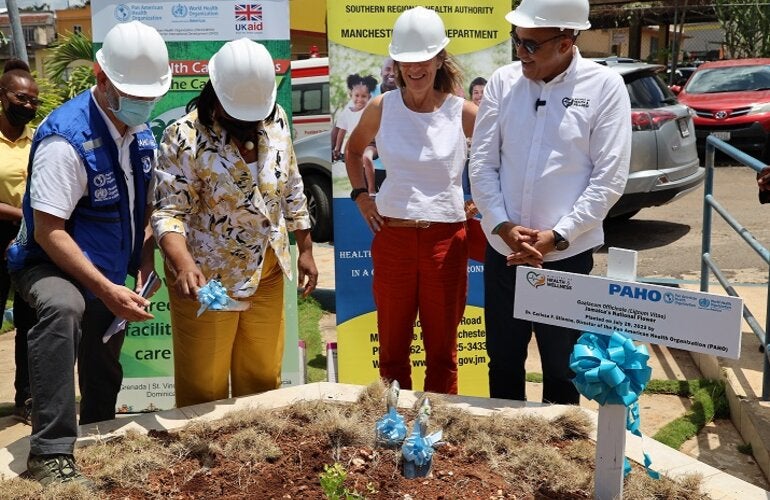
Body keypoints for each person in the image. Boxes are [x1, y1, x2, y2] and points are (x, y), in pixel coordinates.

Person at [7, 21, 170, 486]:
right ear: (101, 77)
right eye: (130, 91)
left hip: (108, 265)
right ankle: (51, 453)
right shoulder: (66, 139)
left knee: (104, 353)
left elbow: (142, 210)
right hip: (47, 261)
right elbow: (49, 230)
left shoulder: (140, 136)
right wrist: (103, 286)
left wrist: (142, 264)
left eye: (149, 94)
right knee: (66, 307)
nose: (142, 102)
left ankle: (99, 431)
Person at [470, 0, 632, 404]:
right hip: (504, 253)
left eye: (530, 45)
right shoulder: (503, 83)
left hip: (566, 258)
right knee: (503, 362)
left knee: (563, 370)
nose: (519, 53)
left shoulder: (604, 87)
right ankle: (505, 455)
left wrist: (557, 236)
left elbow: (609, 178)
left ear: (566, 42)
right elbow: (482, 164)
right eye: (516, 41)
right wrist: (503, 226)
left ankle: (561, 459)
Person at [152, 38, 318, 408]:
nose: (250, 122)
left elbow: (291, 185)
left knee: (261, 381)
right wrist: (184, 265)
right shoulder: (184, 136)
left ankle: (252, 459)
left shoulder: (276, 119)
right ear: (216, 95)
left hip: (268, 271)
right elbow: (168, 212)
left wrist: (304, 247)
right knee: (203, 388)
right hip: (208, 281)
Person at [346, 7, 477, 395]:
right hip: (394, 239)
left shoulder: (464, 112)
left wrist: (484, 205)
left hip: (446, 241)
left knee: (443, 353)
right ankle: (393, 428)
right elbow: (353, 153)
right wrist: (361, 196)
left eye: (424, 60)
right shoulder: (381, 107)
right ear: (396, 63)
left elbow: (498, 162)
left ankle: (437, 432)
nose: (415, 68)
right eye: (406, 61)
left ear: (440, 59)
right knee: (392, 352)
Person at [0, 59, 38, 424]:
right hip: (4, 231)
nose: (27, 105)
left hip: (33, 240)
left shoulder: (39, 137)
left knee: (30, 324)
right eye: (21, 98)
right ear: (2, 96)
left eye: (33, 101)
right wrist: (23, 214)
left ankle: (26, 400)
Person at [332, 73, 376, 161]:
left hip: (369, 144)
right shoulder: (347, 112)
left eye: (363, 96)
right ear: (350, 95)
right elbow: (342, 130)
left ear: (369, 97)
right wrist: (337, 148)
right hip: (354, 144)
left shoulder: (369, 109)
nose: (359, 99)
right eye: (357, 95)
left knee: (366, 159)